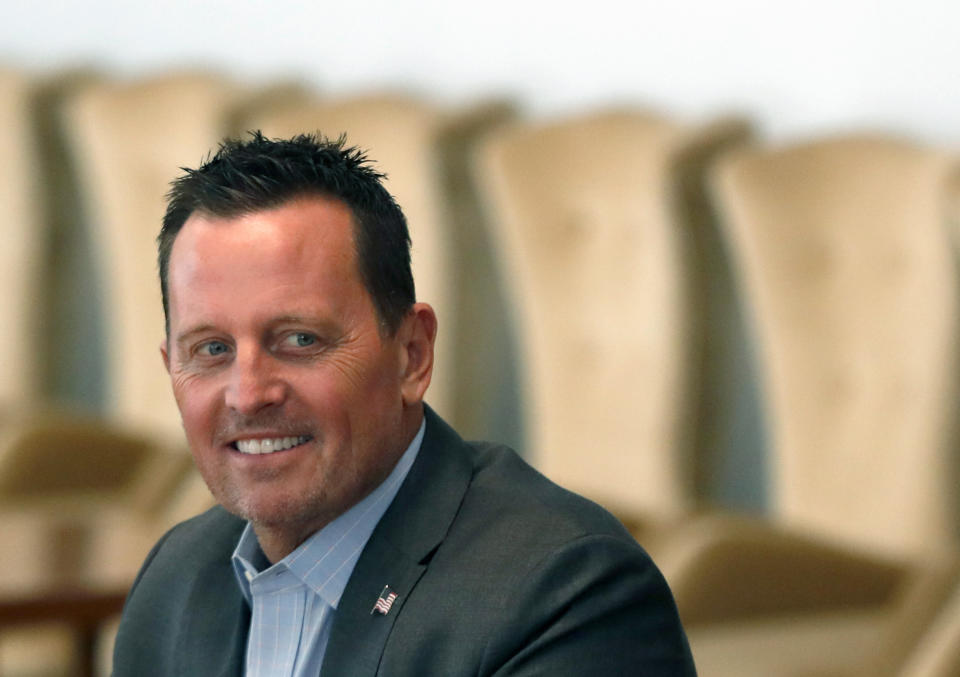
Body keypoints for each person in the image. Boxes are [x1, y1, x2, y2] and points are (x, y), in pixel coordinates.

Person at [111, 132, 697, 676]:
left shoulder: (565, 596)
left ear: (412, 355)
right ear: (171, 368)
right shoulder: (176, 578)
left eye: (299, 340)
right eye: (211, 349)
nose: (248, 393)